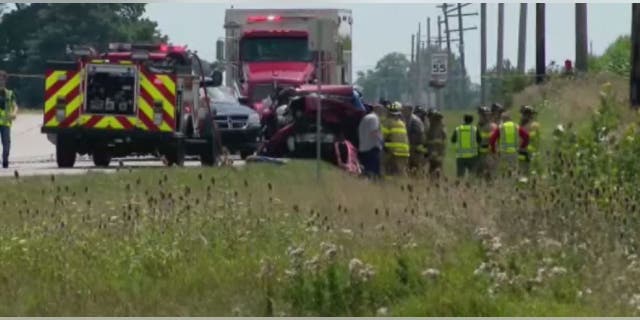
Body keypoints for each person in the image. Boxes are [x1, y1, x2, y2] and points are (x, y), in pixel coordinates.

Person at [489, 112, 529, 177]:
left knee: (503, 171)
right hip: (514, 152)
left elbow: (492, 139)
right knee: (514, 170)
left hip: (503, 153)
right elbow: (526, 136)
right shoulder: (516, 126)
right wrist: (522, 146)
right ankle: (513, 184)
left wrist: (494, 151)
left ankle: (504, 184)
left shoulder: (501, 127)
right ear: (510, 118)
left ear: (503, 119)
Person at [381, 101, 410, 177]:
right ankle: (402, 186)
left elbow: (381, 138)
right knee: (401, 173)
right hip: (405, 153)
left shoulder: (387, 122)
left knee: (387, 172)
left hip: (393, 152)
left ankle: (388, 187)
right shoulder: (402, 123)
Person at [357, 103, 384, 178]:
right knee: (373, 172)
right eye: (382, 110)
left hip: (363, 147)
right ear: (378, 110)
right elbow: (374, 132)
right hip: (372, 149)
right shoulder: (374, 118)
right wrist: (382, 142)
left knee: (365, 171)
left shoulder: (366, 117)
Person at [451, 114, 481, 178]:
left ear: (464, 120)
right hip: (472, 156)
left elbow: (453, 140)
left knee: (460, 176)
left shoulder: (458, 129)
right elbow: (479, 140)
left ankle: (459, 187)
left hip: (460, 156)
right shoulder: (474, 129)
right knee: (472, 175)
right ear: (472, 121)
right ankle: (471, 187)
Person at [401, 103, 427, 174]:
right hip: (412, 149)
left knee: (415, 169)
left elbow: (418, 136)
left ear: (409, 110)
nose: (403, 112)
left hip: (415, 150)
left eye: (404, 110)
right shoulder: (408, 119)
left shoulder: (415, 121)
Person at [0, 70, 18, 169]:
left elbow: (15, 105)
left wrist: (14, 113)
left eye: (2, 80)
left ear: (5, 81)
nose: (1, 82)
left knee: (6, 144)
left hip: (6, 123)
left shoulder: (10, 94)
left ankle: (5, 160)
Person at [476, 106, 497, 179]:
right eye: (481, 115)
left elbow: (493, 142)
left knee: (489, 176)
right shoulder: (479, 127)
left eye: (482, 115)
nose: (481, 117)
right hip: (480, 156)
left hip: (489, 156)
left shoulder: (491, 127)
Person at [519, 105, 540, 174]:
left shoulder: (523, 125)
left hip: (526, 152)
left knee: (525, 171)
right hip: (526, 152)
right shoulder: (534, 125)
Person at [425, 108, 447, 178]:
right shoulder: (440, 126)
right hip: (437, 153)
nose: (429, 119)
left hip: (435, 153)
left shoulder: (435, 127)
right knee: (436, 170)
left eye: (430, 117)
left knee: (435, 170)